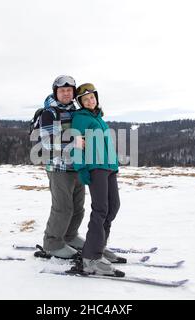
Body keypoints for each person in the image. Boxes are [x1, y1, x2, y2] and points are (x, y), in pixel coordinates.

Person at [71, 83, 125, 276]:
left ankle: (99, 247)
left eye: (92, 97)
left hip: (109, 167)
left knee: (113, 207)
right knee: (100, 209)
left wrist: (114, 165)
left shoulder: (99, 118)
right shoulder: (80, 118)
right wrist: (81, 168)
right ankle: (91, 258)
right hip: (95, 169)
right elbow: (77, 144)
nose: (90, 101)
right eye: (85, 99)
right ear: (81, 103)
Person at [39, 75, 86, 258]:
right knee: (63, 208)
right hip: (58, 168)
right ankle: (52, 243)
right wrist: (73, 141)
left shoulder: (75, 111)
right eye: (62, 90)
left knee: (78, 207)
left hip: (77, 166)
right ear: (56, 92)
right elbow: (47, 142)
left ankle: (70, 236)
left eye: (69, 90)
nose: (66, 93)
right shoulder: (49, 113)